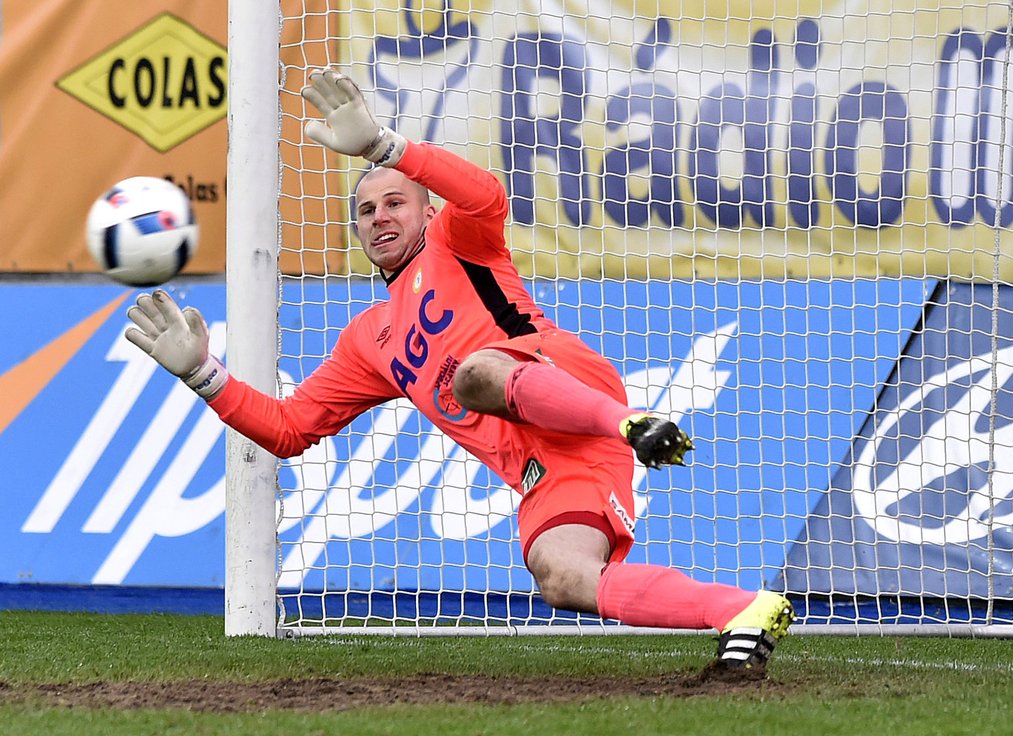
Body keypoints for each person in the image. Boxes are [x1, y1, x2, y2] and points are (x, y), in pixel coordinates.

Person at [125, 69, 794, 670]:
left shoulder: (459, 238)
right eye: (365, 210)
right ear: (356, 232)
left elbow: (486, 195)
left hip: (561, 381)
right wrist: (202, 372)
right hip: (549, 460)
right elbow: (291, 427)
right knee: (561, 576)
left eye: (395, 202)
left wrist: (384, 148)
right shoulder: (370, 339)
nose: (380, 216)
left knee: (470, 376)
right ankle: (741, 610)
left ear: (426, 212)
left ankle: (635, 423)